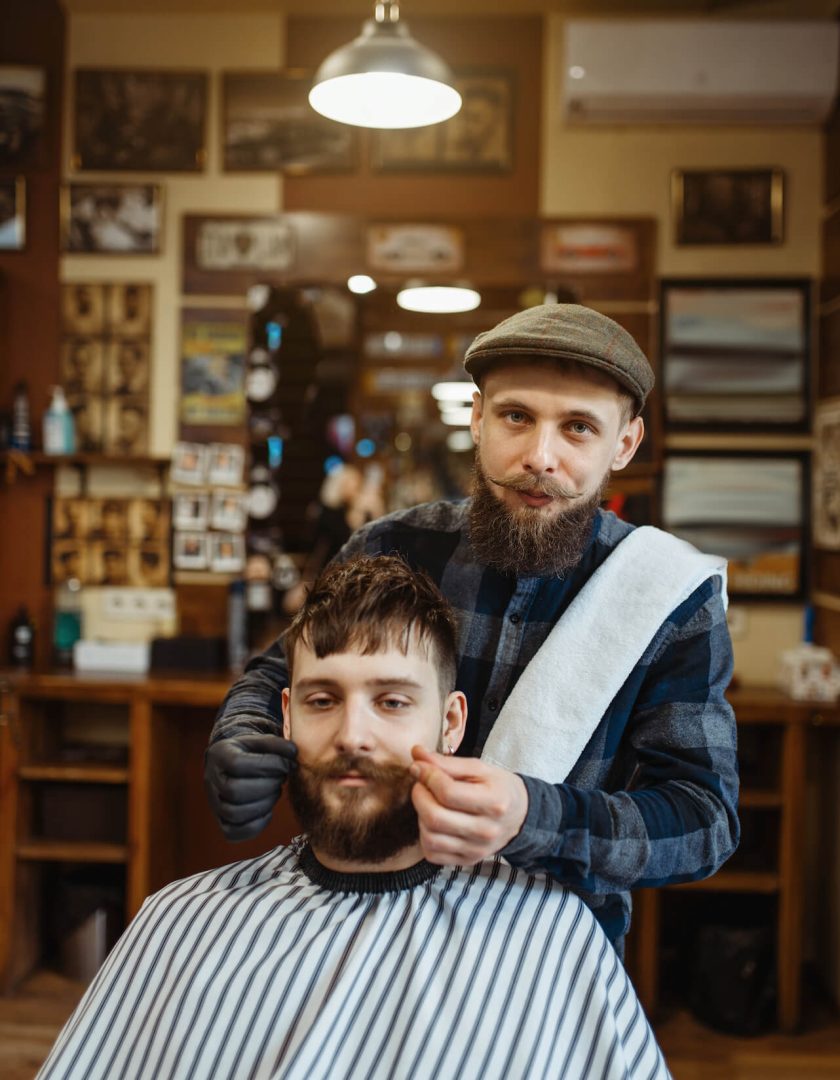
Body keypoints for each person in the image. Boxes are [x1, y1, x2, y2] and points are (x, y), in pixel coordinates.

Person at [206, 303, 740, 954]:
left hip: (550, 953)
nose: (541, 456)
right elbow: (280, 673)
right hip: (371, 921)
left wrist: (537, 818)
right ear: (478, 418)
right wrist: (241, 733)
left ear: (623, 444)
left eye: (578, 427)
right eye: (517, 416)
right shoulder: (390, 544)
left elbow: (704, 821)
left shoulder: (668, 598)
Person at [39, 557, 670, 1080]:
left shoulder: (551, 937)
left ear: (450, 723)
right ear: (285, 717)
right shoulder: (176, 921)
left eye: (392, 701)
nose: (353, 735)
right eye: (323, 699)